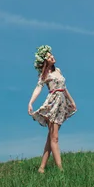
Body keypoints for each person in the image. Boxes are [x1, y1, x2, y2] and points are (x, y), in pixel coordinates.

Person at [28, 45, 77, 173]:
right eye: (49, 56)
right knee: (54, 138)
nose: (52, 57)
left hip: (61, 103)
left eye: (52, 55)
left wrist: (72, 102)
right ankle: (60, 169)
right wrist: (31, 103)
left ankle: (41, 168)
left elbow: (64, 88)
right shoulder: (45, 74)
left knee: (51, 137)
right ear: (45, 61)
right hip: (52, 103)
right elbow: (38, 88)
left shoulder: (58, 71)